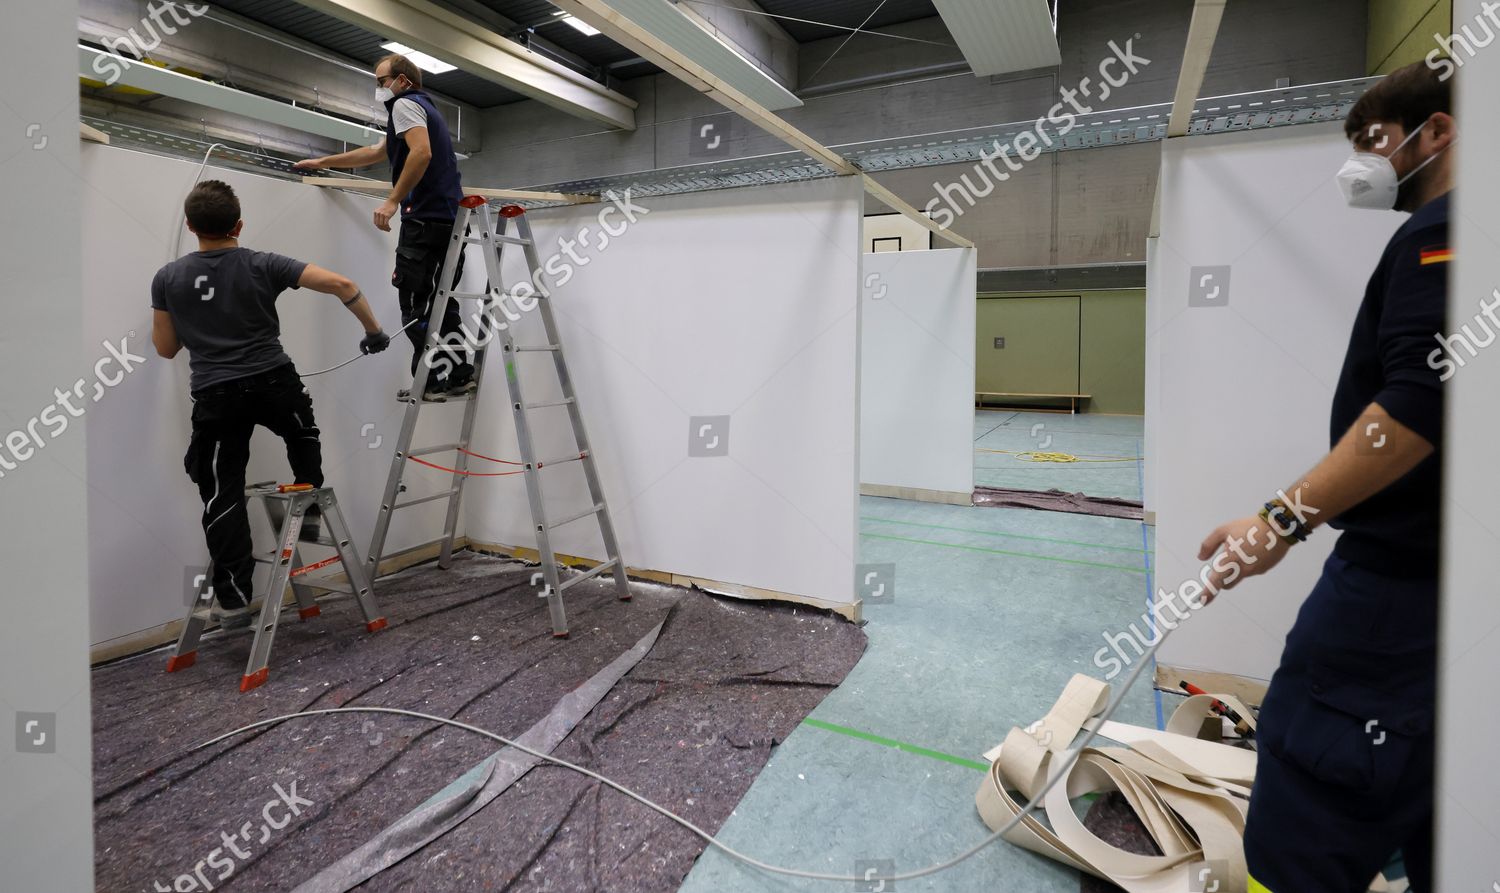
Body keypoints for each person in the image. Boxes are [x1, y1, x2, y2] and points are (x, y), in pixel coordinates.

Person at [1195, 60, 1453, 892]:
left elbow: (1417, 402)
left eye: (1375, 142)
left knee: (1310, 796)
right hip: (1444, 594)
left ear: (1436, 131)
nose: (1362, 165)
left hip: (1394, 599)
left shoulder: (1440, 234)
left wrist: (1275, 525)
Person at [152, 180, 390, 629]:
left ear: (190, 226)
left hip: (215, 396)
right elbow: (342, 284)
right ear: (239, 224)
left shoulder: (168, 278)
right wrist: (373, 331)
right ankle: (312, 519)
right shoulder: (263, 263)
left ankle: (235, 600)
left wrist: (197, 318)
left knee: (222, 491)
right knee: (303, 437)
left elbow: (165, 349)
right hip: (273, 383)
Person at [292, 52, 474, 401]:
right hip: (450, 220)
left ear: (402, 80)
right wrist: (322, 161)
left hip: (423, 219)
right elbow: (378, 151)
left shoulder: (405, 105)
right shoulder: (425, 108)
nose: (379, 88)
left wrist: (392, 201)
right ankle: (459, 374)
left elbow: (421, 153)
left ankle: (431, 382)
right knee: (442, 301)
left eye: (382, 81)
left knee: (414, 305)